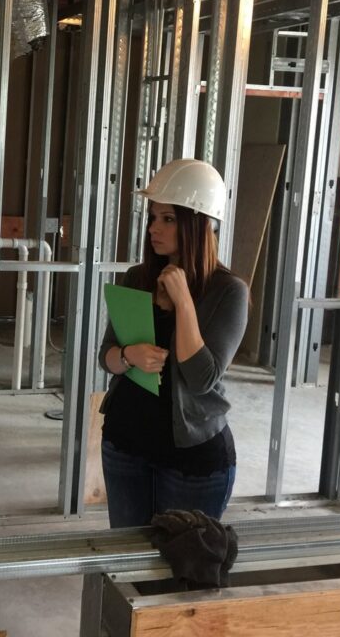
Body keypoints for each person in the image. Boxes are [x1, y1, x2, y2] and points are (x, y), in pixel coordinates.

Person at [98, 158, 248, 526]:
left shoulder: (229, 292)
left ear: (198, 223)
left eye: (168, 218)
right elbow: (107, 358)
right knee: (127, 565)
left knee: (183, 565)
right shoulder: (137, 278)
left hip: (192, 461)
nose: (154, 228)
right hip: (125, 445)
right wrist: (129, 356)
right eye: (153, 217)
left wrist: (183, 301)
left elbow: (201, 378)